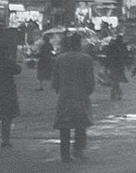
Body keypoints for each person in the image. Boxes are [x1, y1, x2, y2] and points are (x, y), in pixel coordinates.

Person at [52, 34, 95, 162]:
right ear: (79, 44)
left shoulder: (60, 59)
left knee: (64, 126)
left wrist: (59, 89)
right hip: (80, 95)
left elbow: (55, 80)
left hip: (65, 96)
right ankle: (78, 150)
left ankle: (64, 154)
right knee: (80, 125)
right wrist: (87, 92)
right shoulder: (86, 59)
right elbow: (90, 81)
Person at [103, 34, 129, 101]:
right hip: (117, 66)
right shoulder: (119, 46)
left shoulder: (115, 46)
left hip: (115, 66)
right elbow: (125, 56)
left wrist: (106, 66)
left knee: (115, 80)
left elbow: (108, 56)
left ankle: (114, 94)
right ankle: (117, 93)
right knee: (116, 80)